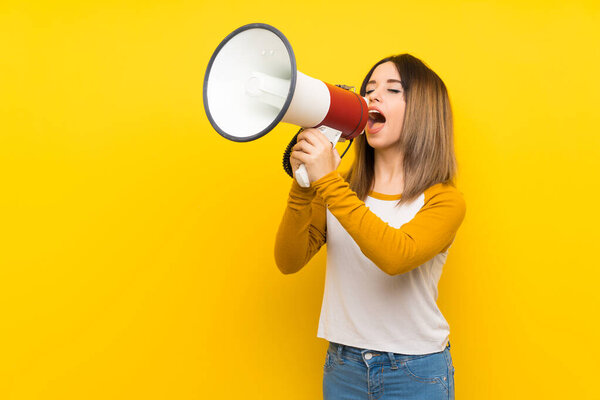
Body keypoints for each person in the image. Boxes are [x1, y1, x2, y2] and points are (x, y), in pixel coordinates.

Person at [274, 54, 466, 400]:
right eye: (369, 89)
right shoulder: (342, 189)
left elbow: (396, 256)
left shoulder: (443, 200)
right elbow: (288, 260)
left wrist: (328, 182)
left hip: (415, 371)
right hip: (343, 366)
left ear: (424, 110)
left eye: (392, 90)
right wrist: (303, 185)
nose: (372, 96)